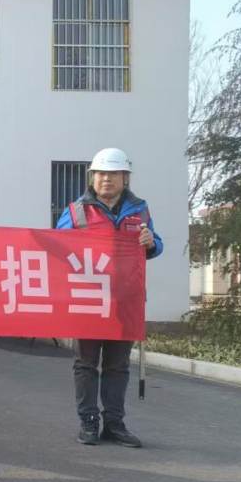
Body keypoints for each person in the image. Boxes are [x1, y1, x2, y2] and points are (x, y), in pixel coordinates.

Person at [56, 147, 162, 448]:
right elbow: (56, 247)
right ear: (93, 177)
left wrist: (150, 242)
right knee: (86, 363)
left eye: (113, 174)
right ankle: (88, 420)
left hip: (126, 300)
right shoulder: (76, 211)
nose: (106, 179)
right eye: (101, 173)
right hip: (88, 299)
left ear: (124, 177)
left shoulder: (140, 210)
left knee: (118, 365)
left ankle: (114, 423)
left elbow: (156, 245)